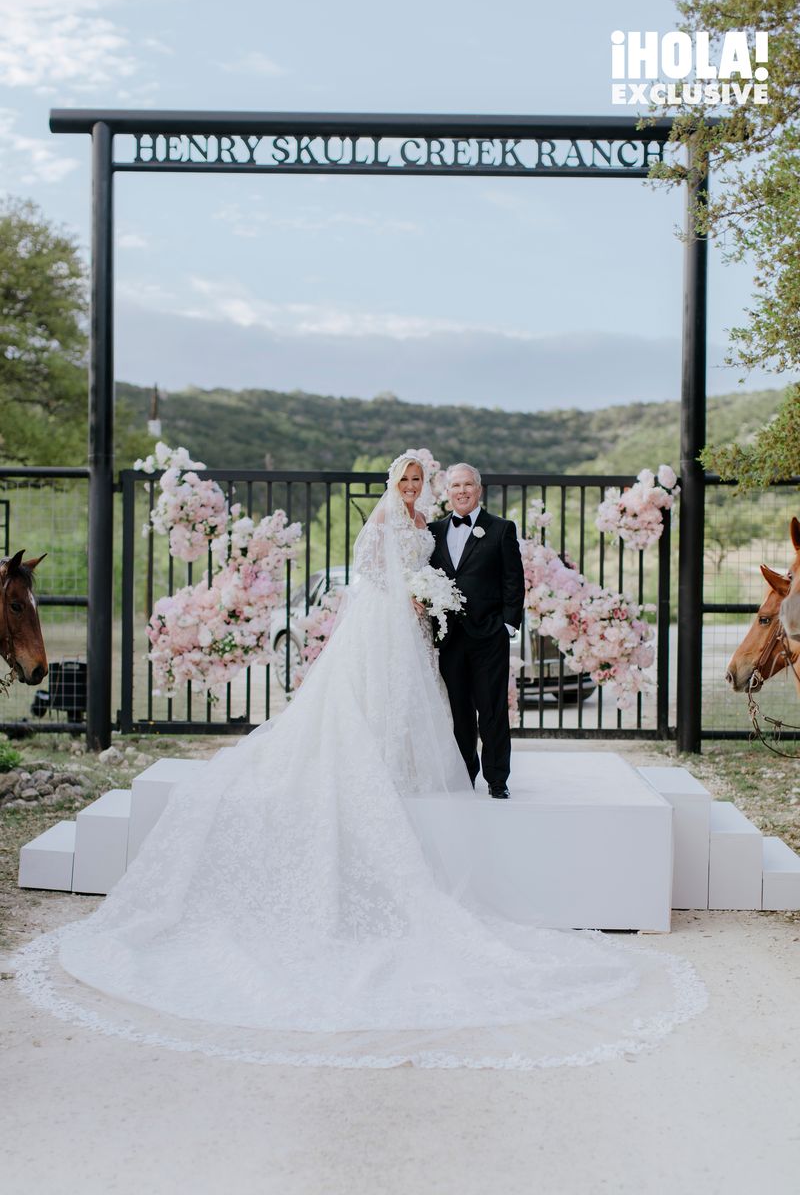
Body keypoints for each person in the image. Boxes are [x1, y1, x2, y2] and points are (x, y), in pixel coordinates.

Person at [17, 451, 705, 1070]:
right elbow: (375, 572)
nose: (415, 486)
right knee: (381, 697)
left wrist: (436, 600)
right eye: (409, 478)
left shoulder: (440, 525)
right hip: (385, 619)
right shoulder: (395, 522)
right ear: (396, 482)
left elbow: (472, 574)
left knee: (452, 707)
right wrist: (410, 597)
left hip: (431, 625)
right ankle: (382, 765)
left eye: (421, 479)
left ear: (440, 486)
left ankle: (472, 777)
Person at [428, 463, 524, 798]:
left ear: (479, 489)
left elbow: (514, 581)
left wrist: (507, 625)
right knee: (459, 712)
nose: (462, 491)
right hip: (449, 638)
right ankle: (464, 775)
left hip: (489, 636)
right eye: (455, 485)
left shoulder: (500, 529)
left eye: (468, 485)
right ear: (448, 491)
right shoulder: (433, 531)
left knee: (492, 710)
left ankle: (498, 779)